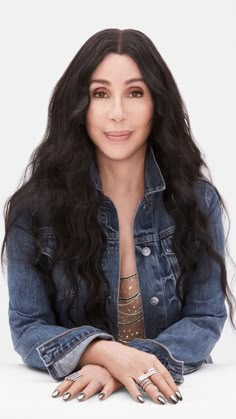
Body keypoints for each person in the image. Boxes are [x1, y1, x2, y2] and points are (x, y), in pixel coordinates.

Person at [1, 28, 235, 406]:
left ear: (158, 103)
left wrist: (122, 363)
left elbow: (205, 318)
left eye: (135, 93)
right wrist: (106, 352)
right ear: (78, 105)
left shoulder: (196, 200)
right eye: (100, 93)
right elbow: (27, 326)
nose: (117, 113)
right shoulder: (34, 209)